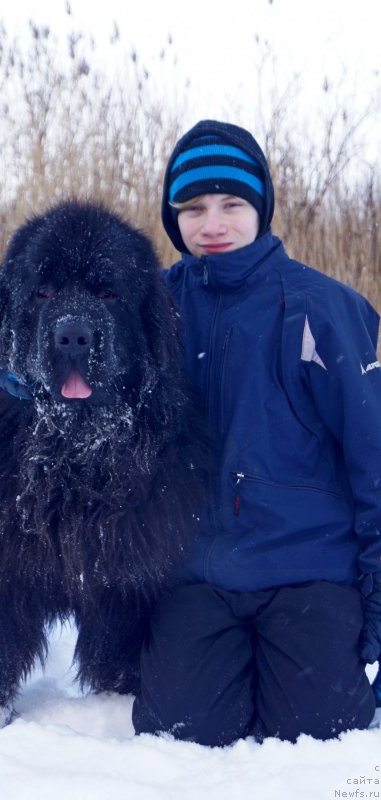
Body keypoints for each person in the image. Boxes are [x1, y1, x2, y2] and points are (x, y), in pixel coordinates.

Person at [132, 119, 381, 746]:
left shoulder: (323, 310)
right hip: (197, 573)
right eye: (193, 207)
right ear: (173, 216)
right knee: (177, 736)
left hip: (312, 570)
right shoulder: (149, 308)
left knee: (322, 736)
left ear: (261, 208)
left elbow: (375, 462)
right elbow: (51, 322)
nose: (211, 224)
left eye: (232, 203)